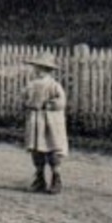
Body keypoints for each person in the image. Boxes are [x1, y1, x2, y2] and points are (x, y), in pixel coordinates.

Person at [22, 53, 68, 194]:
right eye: (37, 68)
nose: (38, 71)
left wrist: (49, 105)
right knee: (37, 148)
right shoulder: (31, 85)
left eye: (42, 68)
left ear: (49, 70)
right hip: (36, 120)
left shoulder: (54, 85)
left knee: (53, 148)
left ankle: (56, 178)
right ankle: (40, 178)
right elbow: (24, 98)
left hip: (51, 121)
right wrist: (28, 103)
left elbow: (61, 101)